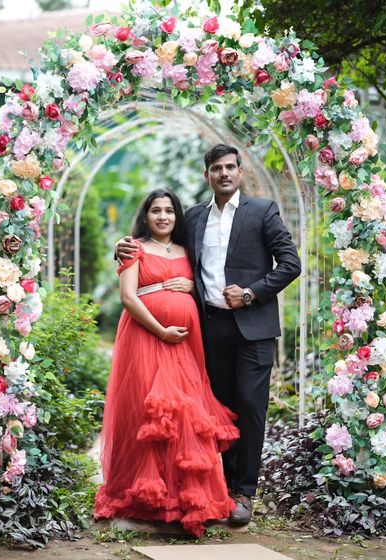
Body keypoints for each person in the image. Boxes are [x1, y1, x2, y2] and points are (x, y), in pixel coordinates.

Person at [115, 144, 301, 525]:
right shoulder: (196, 217)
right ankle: (220, 487)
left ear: (240, 171)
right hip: (209, 328)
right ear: (207, 175)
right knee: (219, 409)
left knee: (250, 406)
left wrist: (251, 293)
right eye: (217, 168)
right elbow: (158, 248)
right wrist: (120, 250)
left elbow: (291, 263)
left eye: (230, 167)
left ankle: (243, 492)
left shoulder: (262, 212)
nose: (224, 174)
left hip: (253, 328)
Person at [95, 188, 240, 538]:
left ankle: (185, 498)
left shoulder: (189, 251)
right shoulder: (134, 248)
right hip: (147, 338)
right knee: (152, 415)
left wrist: (191, 285)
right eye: (156, 210)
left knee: (186, 415)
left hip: (185, 343)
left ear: (178, 216)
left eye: (169, 211)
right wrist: (161, 330)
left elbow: (209, 285)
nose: (163, 217)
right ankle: (151, 497)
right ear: (145, 215)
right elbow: (128, 297)